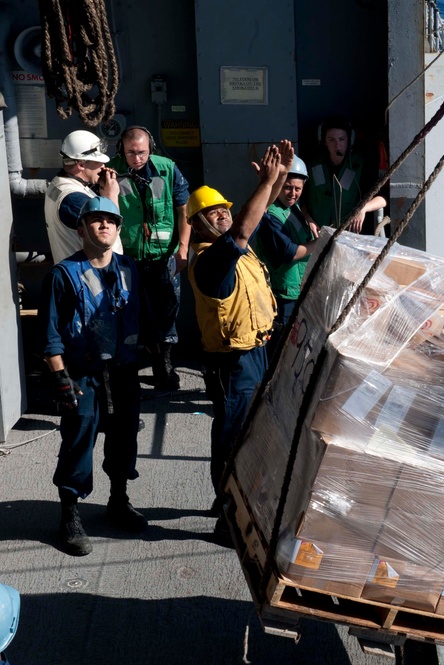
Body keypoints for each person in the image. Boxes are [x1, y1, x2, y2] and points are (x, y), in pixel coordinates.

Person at [186, 141, 292, 531]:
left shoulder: (235, 249)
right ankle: (227, 516)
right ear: (196, 224)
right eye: (211, 213)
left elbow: (255, 215)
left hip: (257, 353)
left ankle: (238, 502)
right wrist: (266, 180)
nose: (222, 215)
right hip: (233, 364)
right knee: (233, 438)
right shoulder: (212, 259)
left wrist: (279, 176)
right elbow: (246, 227)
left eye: (224, 209)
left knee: (253, 434)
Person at [40, 196, 147, 557]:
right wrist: (60, 379)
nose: (104, 225)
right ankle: (69, 514)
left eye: (110, 221)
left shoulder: (129, 267)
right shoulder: (63, 275)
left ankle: (118, 500)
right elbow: (50, 335)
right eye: (96, 220)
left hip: (123, 372)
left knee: (124, 438)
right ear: (81, 228)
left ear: (117, 229)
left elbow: (140, 318)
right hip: (83, 374)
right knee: (78, 442)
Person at [108, 126, 192, 390]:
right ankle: (142, 363)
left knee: (167, 310)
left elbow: (184, 209)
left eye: (142, 153)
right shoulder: (111, 171)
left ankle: (164, 366)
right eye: (131, 153)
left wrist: (183, 250)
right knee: (133, 313)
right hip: (129, 258)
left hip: (163, 256)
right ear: (122, 149)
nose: (137, 159)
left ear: (150, 149)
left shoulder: (166, 169)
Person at [252, 155, 318, 359]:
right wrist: (320, 243)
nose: (293, 193)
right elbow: (289, 252)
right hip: (282, 294)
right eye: (288, 187)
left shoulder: (292, 207)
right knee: (279, 351)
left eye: (298, 189)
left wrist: (309, 220)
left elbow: (301, 211)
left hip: (297, 290)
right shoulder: (271, 215)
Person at [44, 130, 124, 264]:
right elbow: (108, 241)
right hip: (89, 278)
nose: (103, 167)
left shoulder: (58, 184)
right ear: (81, 164)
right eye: (98, 162)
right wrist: (111, 197)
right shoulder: (75, 200)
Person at [303, 115, 386, 233]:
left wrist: (362, 209)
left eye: (342, 139)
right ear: (324, 141)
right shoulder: (312, 165)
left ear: (349, 140)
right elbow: (301, 200)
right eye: (331, 140)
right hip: (317, 234)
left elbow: (382, 199)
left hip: (348, 236)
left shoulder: (361, 165)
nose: (337, 145)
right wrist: (308, 220)